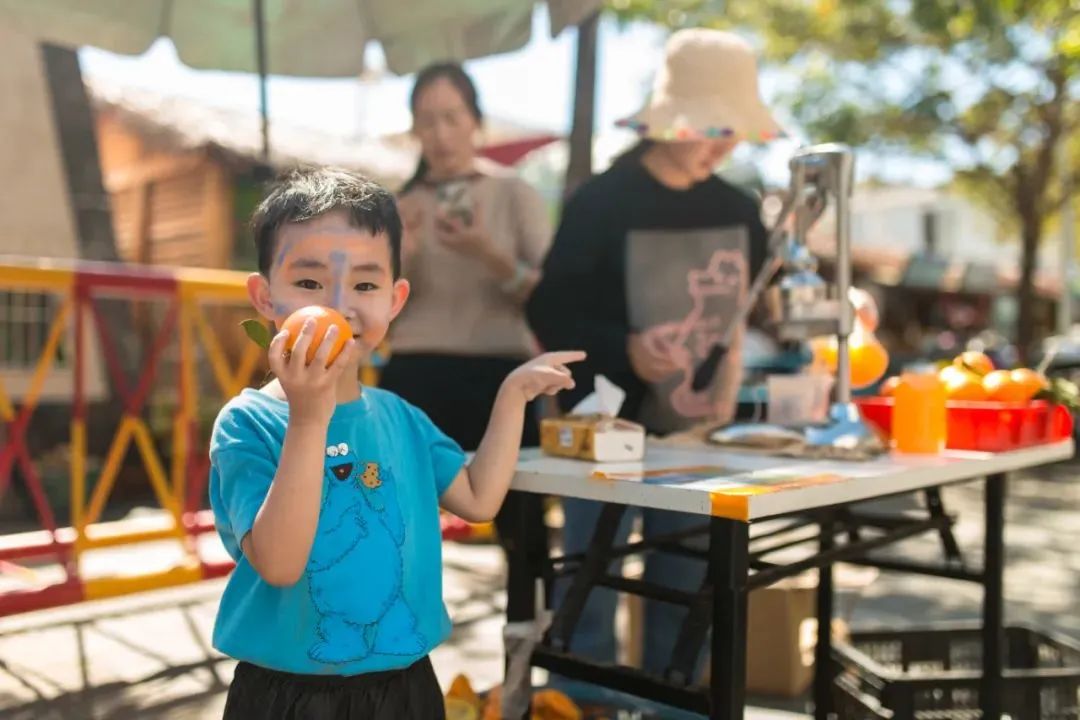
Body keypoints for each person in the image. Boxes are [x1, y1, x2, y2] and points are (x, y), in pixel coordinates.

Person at [208, 167, 583, 719]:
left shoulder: (401, 418)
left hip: (404, 687)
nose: (339, 303)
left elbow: (479, 498)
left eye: (365, 284)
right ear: (265, 297)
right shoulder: (249, 424)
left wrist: (512, 396)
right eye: (309, 283)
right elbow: (281, 564)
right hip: (288, 692)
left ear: (395, 299)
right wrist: (310, 416)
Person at [525, 29, 781, 678]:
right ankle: (581, 707)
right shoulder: (601, 201)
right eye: (714, 128)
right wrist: (627, 348)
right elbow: (547, 308)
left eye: (733, 132)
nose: (725, 146)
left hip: (701, 434)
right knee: (589, 586)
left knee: (689, 592)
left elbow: (758, 305)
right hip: (600, 432)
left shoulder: (740, 209)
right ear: (673, 121)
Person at [380, 62, 552, 456]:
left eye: (451, 118)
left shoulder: (514, 192)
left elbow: (550, 300)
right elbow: (375, 309)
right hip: (416, 367)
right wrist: (402, 256)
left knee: (515, 507)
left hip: (500, 370)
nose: (440, 134)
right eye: (426, 121)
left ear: (475, 121)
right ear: (414, 130)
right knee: (401, 502)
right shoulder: (400, 205)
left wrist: (489, 254)